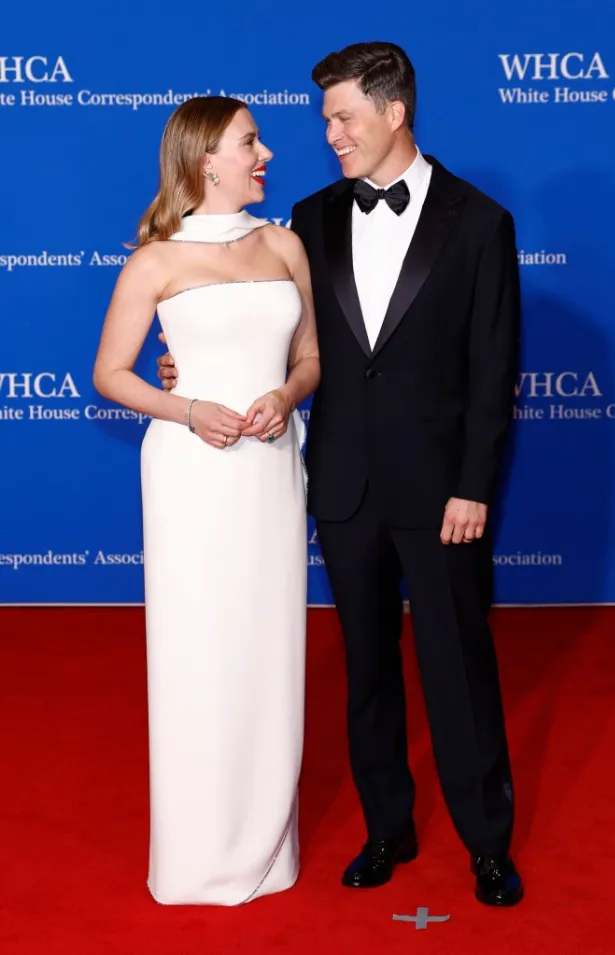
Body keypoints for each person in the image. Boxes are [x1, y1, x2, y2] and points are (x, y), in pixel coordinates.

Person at [158, 42, 523, 907]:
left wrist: (474, 484)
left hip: (444, 496)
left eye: (343, 117)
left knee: (458, 667)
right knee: (366, 670)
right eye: (325, 119)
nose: (329, 135)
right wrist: (191, 379)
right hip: (343, 486)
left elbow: (493, 368)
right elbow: (283, 341)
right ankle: (386, 826)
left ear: (395, 113)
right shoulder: (308, 219)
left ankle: (486, 842)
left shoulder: (480, 222)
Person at [93, 96, 320, 906]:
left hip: (267, 468)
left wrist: (288, 394)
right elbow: (112, 374)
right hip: (191, 472)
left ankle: (268, 841)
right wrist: (188, 410)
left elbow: (311, 356)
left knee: (267, 642)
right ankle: (194, 851)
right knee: (197, 647)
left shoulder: (284, 243)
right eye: (249, 141)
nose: (267, 153)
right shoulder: (154, 262)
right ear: (204, 160)